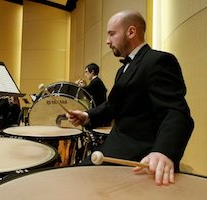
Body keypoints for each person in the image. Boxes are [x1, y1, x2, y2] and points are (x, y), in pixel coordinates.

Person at [66, 10, 194, 186]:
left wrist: (163, 152)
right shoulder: (123, 70)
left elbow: (176, 112)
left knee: (76, 184)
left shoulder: (158, 61)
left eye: (112, 34)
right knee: (72, 178)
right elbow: (112, 106)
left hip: (140, 157)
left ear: (131, 32)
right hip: (115, 146)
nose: (107, 40)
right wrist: (87, 116)